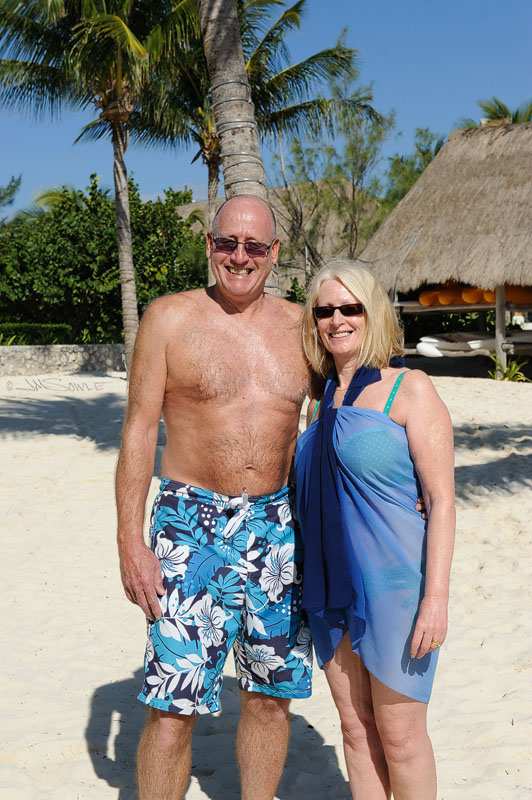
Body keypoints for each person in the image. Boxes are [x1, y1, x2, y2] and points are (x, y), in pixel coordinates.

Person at [115, 194, 313, 800]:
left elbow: (354, 413)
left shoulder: (303, 325)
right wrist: (130, 541)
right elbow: (139, 429)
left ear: (274, 253)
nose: (240, 256)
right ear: (209, 244)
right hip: (190, 524)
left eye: (255, 245)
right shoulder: (168, 319)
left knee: (269, 698)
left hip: (280, 527)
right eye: (228, 242)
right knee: (172, 707)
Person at [294, 260, 455, 800]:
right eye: (325, 310)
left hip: (395, 588)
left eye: (350, 308)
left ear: (372, 312)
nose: (337, 319)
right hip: (329, 588)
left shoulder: (408, 390)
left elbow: (441, 500)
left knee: (402, 737)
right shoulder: (318, 402)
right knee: (356, 730)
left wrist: (436, 598)